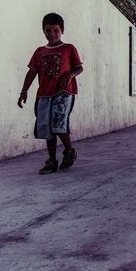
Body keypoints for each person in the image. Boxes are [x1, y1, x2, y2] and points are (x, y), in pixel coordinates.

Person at [17, 13, 84, 173]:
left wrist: (69, 76)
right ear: (43, 31)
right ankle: (52, 160)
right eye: (48, 31)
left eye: (56, 30)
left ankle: (69, 151)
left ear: (62, 30)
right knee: (46, 127)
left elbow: (79, 67)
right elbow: (32, 72)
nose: (52, 34)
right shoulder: (39, 51)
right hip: (44, 94)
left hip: (63, 92)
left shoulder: (69, 48)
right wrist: (24, 91)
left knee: (58, 124)